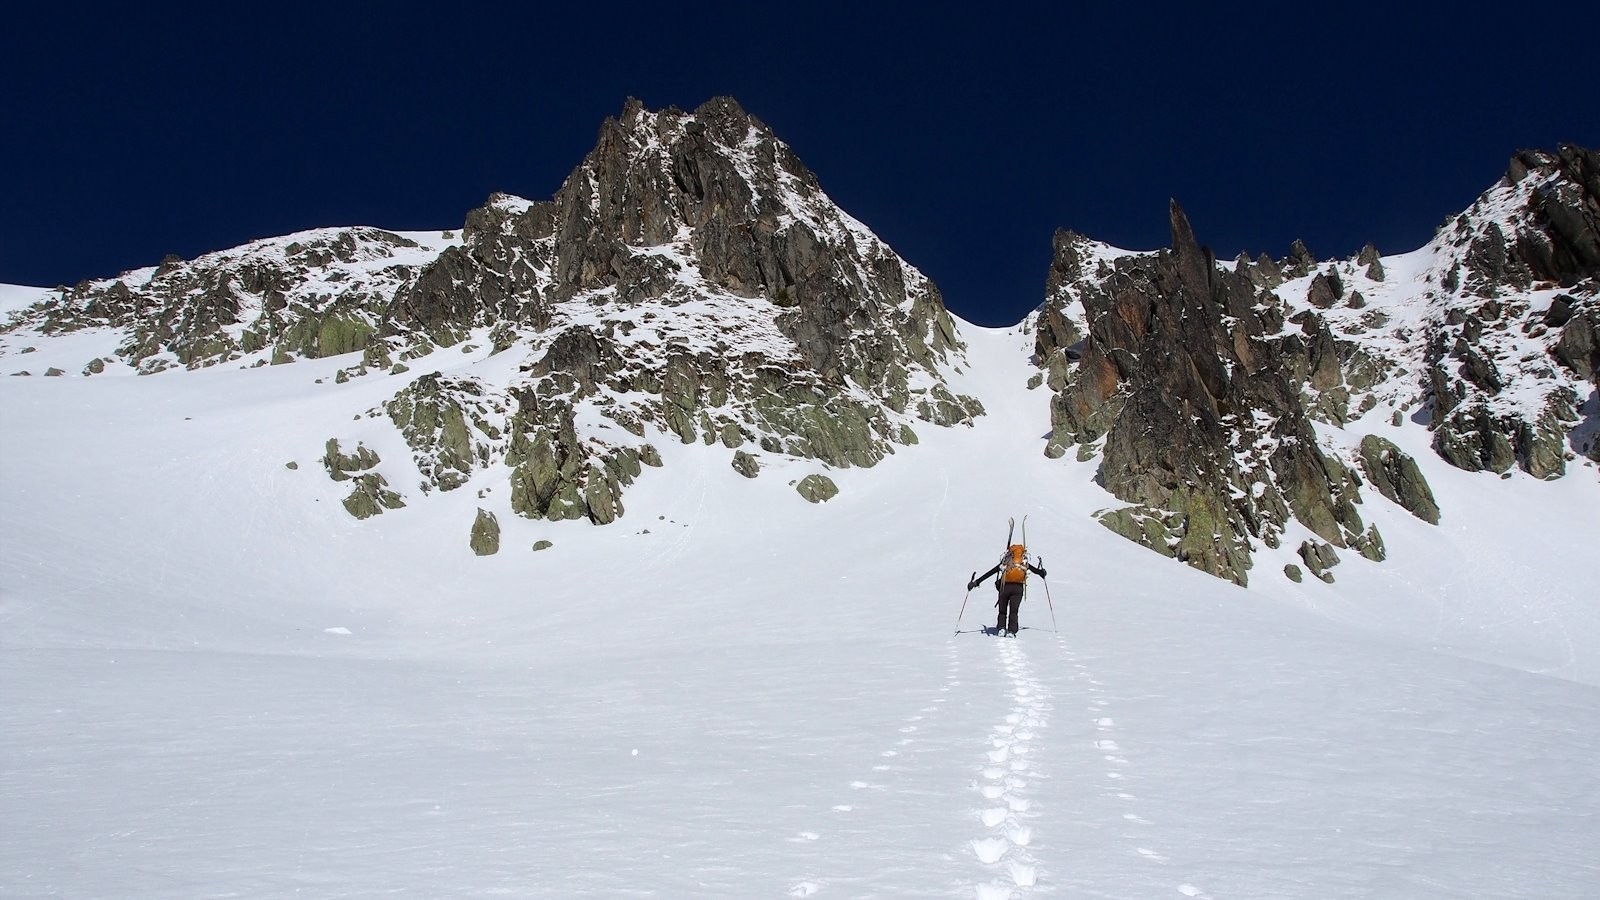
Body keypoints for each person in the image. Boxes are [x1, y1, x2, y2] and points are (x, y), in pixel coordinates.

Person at [968, 545, 1046, 636]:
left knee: (1002, 610)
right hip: (1018, 588)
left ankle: (1001, 628)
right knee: (1014, 611)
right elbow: (1037, 571)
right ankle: (1011, 631)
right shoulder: (1023, 562)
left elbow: (990, 572)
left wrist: (976, 582)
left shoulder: (1006, 562)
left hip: (1005, 587)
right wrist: (1042, 572)